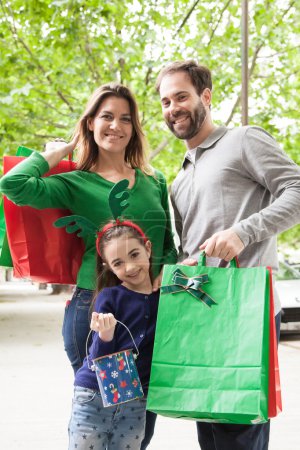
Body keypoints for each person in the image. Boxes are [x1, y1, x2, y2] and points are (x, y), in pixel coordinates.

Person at [0, 83, 177, 449]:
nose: (116, 126)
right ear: (91, 123)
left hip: (152, 311)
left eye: (126, 118)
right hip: (99, 311)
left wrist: (165, 276)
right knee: (101, 419)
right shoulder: (74, 181)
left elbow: (169, 244)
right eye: (107, 116)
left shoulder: (154, 179)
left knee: (139, 424)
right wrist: (55, 153)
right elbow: (13, 185)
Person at [155, 60, 300, 450]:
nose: (173, 108)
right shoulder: (180, 177)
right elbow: (195, 244)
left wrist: (243, 231)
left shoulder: (243, 140)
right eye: (166, 101)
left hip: (246, 308)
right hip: (201, 310)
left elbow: (297, 191)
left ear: (205, 96)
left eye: (181, 96)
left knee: (240, 430)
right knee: (212, 432)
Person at [68, 220, 159, 450]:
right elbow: (99, 359)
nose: (130, 267)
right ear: (109, 267)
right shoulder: (109, 297)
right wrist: (106, 335)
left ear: (148, 248)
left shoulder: (164, 298)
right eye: (118, 263)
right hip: (94, 395)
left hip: (135, 401)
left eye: (135, 254)